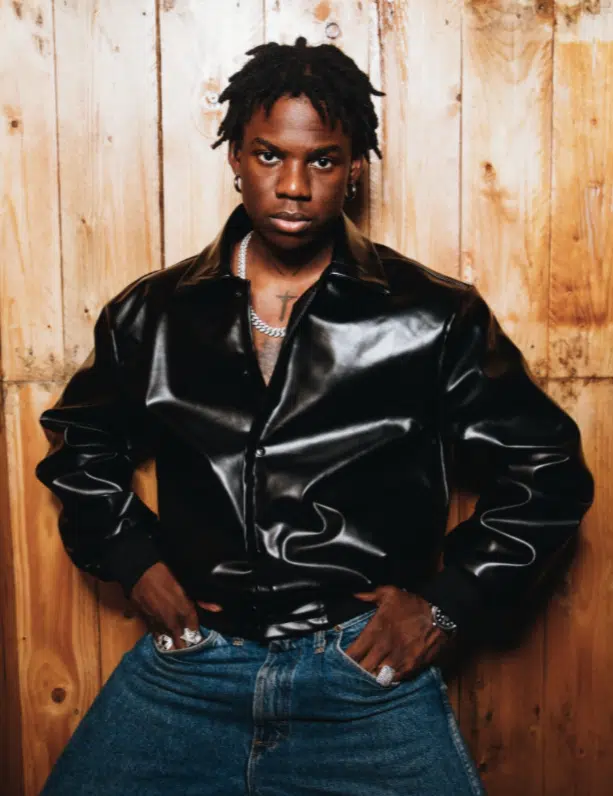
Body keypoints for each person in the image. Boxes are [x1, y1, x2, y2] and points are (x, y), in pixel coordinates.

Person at [35, 36, 593, 796]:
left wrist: (447, 605)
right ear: (236, 158)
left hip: (360, 671)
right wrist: (135, 561)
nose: (293, 186)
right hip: (193, 660)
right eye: (269, 156)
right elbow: (82, 444)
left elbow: (547, 471)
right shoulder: (152, 314)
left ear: (354, 168)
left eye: (322, 161)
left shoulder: (432, 317)